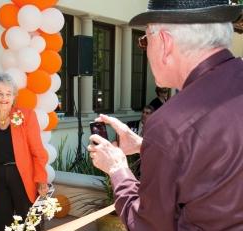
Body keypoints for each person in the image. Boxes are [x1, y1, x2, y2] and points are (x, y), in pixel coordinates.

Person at [87, 1, 243, 230]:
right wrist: (145, 146)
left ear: (165, 42)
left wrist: (117, 168)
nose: (145, 49)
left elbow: (147, 225)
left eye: (143, 41)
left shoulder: (172, 122)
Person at [0, 73, 48, 231]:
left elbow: (38, 152)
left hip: (22, 175)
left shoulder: (26, 115)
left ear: (14, 97)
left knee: (29, 222)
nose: (4, 98)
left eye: (8, 94)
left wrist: (41, 179)